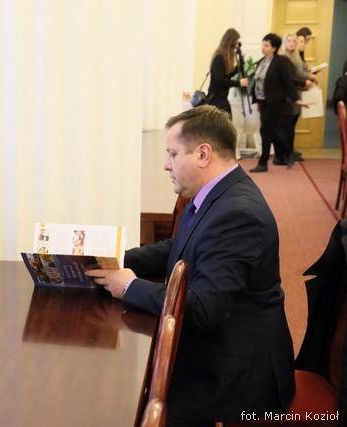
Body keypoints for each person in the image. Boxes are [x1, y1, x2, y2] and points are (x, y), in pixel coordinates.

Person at [86, 106, 295, 425]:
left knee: (124, 404)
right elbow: (179, 248)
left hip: (237, 372)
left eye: (173, 154)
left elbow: (203, 309)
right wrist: (116, 258)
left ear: (203, 154)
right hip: (218, 345)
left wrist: (128, 286)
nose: (165, 164)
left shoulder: (237, 214)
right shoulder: (218, 193)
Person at [249, 33, 299, 172]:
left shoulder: (280, 61)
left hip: (276, 101)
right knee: (272, 131)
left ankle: (263, 163)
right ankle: (289, 152)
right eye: (263, 44)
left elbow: (288, 80)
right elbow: (258, 81)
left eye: (267, 45)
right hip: (263, 101)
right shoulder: (262, 61)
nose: (263, 47)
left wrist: (296, 98)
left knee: (265, 130)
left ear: (274, 48)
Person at [277, 33, 314, 164]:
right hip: (287, 98)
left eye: (294, 41)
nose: (291, 43)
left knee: (291, 127)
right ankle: (283, 155)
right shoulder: (282, 58)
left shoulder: (297, 57)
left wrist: (307, 78)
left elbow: (299, 74)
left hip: (296, 95)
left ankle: (290, 152)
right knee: (285, 128)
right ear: (284, 43)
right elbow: (288, 79)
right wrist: (304, 81)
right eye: (289, 41)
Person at [207, 28, 248, 117]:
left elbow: (226, 76)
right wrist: (239, 83)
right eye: (236, 42)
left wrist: (239, 65)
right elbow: (219, 80)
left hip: (221, 98)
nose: (237, 45)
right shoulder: (219, 58)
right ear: (231, 42)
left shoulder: (223, 57)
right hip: (216, 100)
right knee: (225, 122)